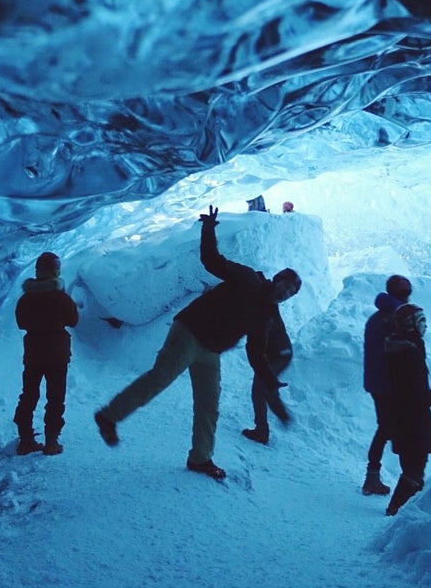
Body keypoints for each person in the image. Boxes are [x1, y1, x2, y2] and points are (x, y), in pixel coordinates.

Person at [94, 206, 301, 481]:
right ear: (277, 279)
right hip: (189, 333)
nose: (285, 293)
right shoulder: (248, 279)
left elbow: (255, 351)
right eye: (285, 286)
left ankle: (200, 459)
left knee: (208, 404)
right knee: (159, 379)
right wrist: (208, 229)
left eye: (291, 293)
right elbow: (212, 261)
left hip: (211, 351)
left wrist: (271, 385)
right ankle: (109, 416)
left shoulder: (266, 315)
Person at [382, 278, 431, 516]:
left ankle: (411, 508)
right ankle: (397, 510)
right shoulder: (409, 352)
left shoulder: (403, 346)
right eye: (421, 321)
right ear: (411, 325)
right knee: (414, 468)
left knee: (413, 465)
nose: (425, 326)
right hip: (412, 420)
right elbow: (415, 391)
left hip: (403, 417)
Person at [14, 251, 79, 456]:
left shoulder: (26, 299)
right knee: (55, 397)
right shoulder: (61, 298)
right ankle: (51, 441)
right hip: (57, 354)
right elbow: (73, 320)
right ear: (54, 271)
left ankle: (25, 440)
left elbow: (21, 323)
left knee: (29, 395)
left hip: (33, 352)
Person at [361, 275, 410, 495]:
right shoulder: (398, 318)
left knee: (387, 427)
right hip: (391, 384)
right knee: (393, 429)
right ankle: (407, 480)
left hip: (377, 382)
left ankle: (374, 476)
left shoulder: (377, 318)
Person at [242, 309, 293, 446]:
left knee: (259, 391)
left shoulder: (257, 305)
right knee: (264, 387)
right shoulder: (267, 301)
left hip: (274, 354)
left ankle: (262, 431)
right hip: (283, 351)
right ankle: (278, 416)